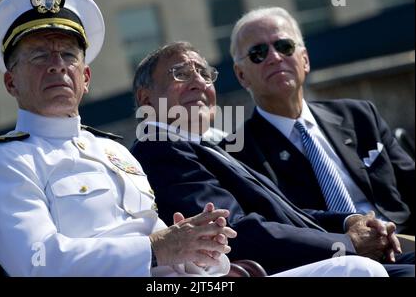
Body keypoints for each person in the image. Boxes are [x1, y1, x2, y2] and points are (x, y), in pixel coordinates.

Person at [0, 0, 237, 277]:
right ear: (11, 83)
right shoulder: (5, 161)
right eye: (39, 56)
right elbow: (38, 262)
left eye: (69, 55)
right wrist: (158, 249)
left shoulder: (114, 151)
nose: (57, 65)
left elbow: (161, 242)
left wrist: (201, 251)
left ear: (85, 77)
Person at [130, 41, 413, 276]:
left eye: (204, 74)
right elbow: (235, 231)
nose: (198, 83)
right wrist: (346, 244)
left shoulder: (203, 145)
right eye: (180, 74)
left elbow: (289, 212)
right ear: (146, 100)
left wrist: (349, 222)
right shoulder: (159, 150)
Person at [225, 7, 414, 236]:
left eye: (284, 46)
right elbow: (277, 225)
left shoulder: (360, 116)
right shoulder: (237, 154)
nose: (275, 57)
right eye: (258, 53)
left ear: (304, 59)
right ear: (241, 75)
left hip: (403, 238)